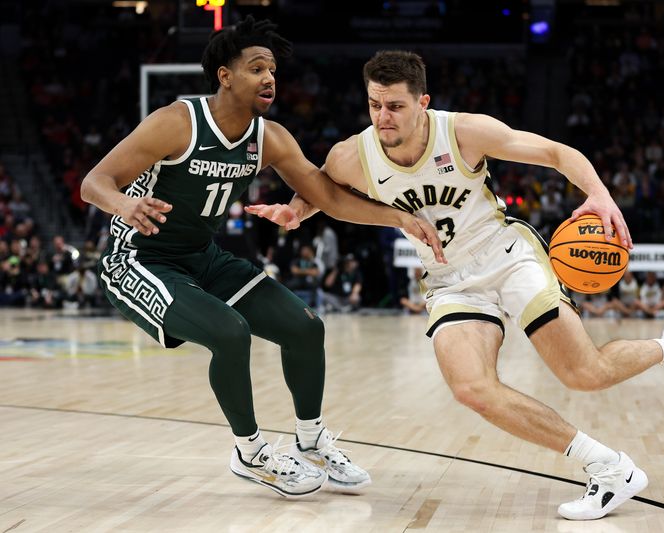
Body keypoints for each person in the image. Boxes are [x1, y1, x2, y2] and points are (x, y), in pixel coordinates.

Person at [256, 50, 664, 520]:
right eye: (373, 104)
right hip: (449, 279)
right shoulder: (354, 154)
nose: (382, 116)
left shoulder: (465, 132)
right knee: (472, 388)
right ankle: (608, 467)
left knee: (585, 373)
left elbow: (557, 152)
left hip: (507, 254)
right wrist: (296, 210)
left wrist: (600, 195)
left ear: (422, 103)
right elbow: (321, 186)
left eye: (394, 106)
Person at [80, 22, 445, 499]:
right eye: (256, 68)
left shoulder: (269, 138)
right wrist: (125, 204)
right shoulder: (177, 121)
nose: (270, 78)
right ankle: (249, 452)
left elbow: (326, 197)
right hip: (139, 259)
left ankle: (311, 442)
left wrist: (397, 218)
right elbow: (94, 183)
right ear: (224, 75)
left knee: (305, 327)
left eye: (272, 69)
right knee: (230, 333)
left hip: (203, 258)